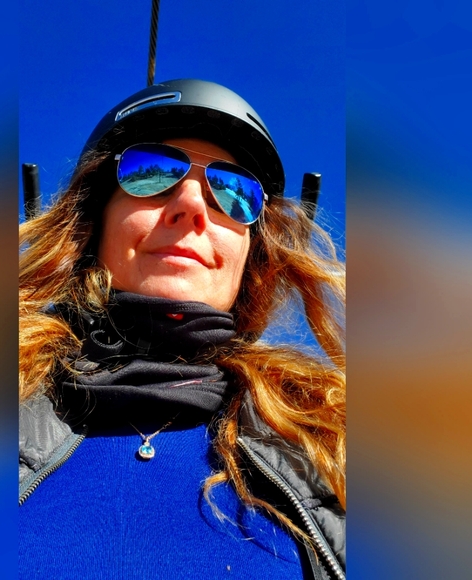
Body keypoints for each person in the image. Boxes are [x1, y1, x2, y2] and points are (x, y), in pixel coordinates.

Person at [19, 79, 345, 580]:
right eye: (150, 172)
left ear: (250, 255)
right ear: (93, 220)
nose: (192, 205)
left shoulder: (332, 442)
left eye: (233, 192)